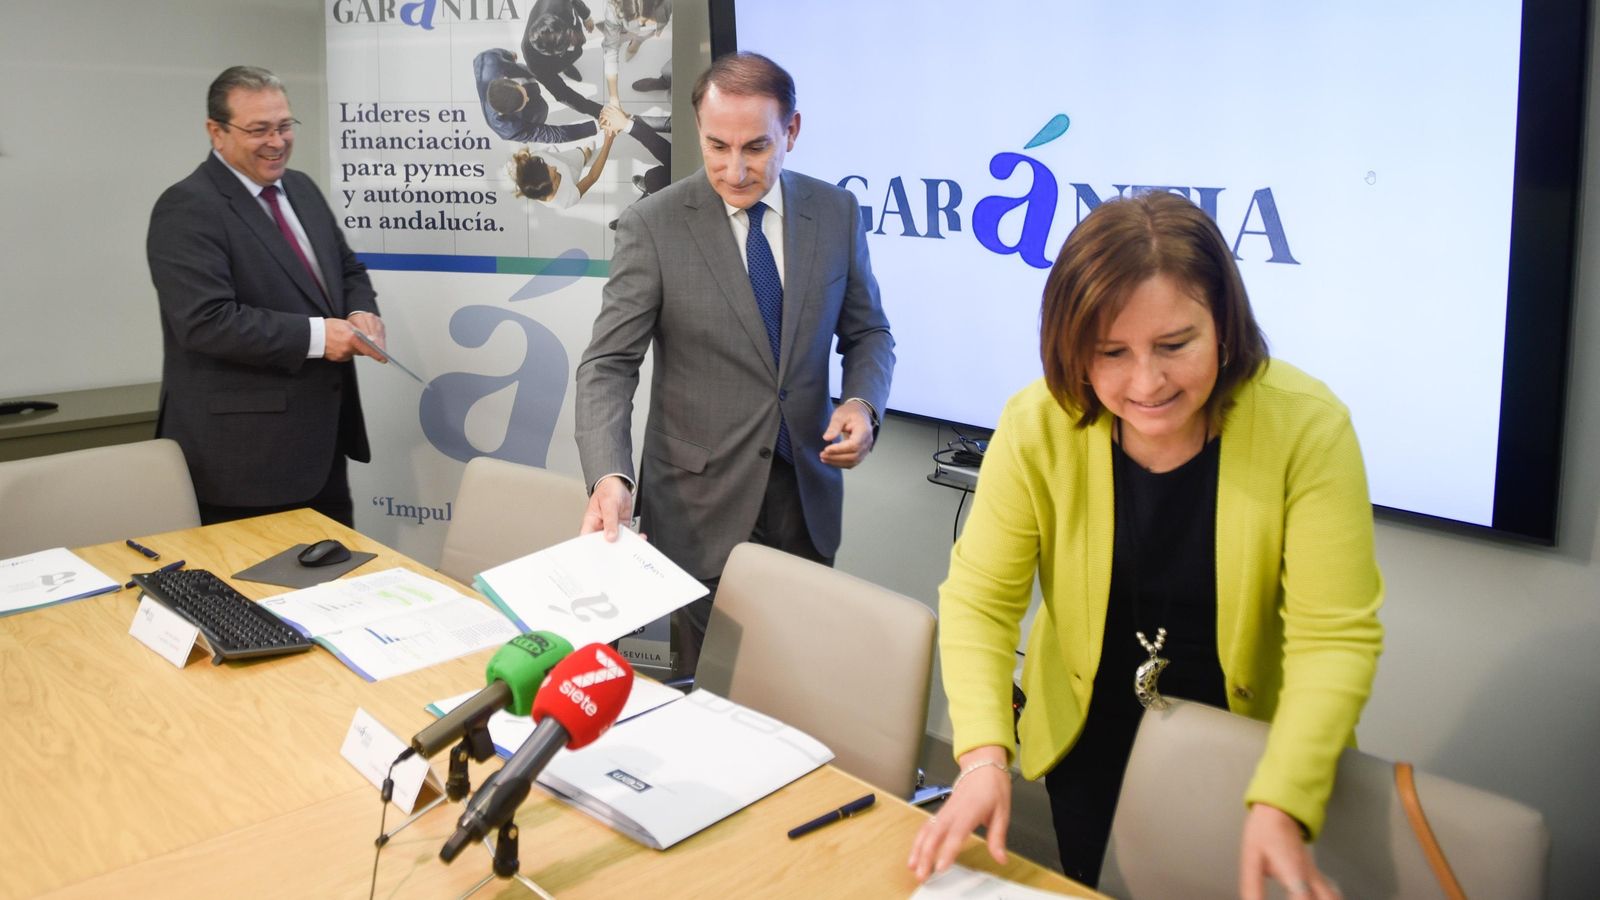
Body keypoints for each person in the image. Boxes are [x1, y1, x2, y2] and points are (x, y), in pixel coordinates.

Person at [907, 191, 1383, 899]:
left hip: (1252, 750)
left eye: (1174, 345)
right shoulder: (1038, 422)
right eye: (1111, 353)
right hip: (1087, 737)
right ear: (1072, 348)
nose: (1146, 383)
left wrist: (1283, 798)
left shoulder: (1307, 428)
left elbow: (1334, 638)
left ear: (1223, 323)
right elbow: (980, 600)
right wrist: (980, 756)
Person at [574, 52, 894, 676]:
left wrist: (863, 403)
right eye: (717, 146)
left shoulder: (835, 214)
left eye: (756, 147)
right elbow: (608, 366)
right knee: (711, 692)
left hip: (806, 496)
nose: (735, 169)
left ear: (792, 132)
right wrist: (609, 476)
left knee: (799, 684)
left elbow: (869, 332)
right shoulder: (654, 225)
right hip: (697, 505)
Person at [146, 66, 387, 527]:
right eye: (259, 130)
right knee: (249, 597)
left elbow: (347, 268)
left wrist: (360, 312)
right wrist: (320, 336)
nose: (276, 142)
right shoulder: (187, 208)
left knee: (339, 590)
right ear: (216, 132)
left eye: (284, 126)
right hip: (242, 462)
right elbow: (205, 322)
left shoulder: (301, 189)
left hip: (322, 450)